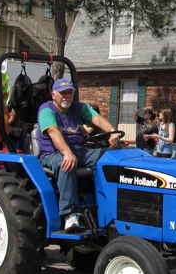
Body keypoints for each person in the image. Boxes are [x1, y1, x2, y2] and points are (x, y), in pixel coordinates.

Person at [37, 79, 120, 233]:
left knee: (111, 157)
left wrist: (112, 131)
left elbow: (95, 118)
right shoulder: (46, 110)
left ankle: (109, 206)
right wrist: (67, 152)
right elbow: (53, 132)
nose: (67, 96)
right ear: (53, 94)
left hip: (80, 152)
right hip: (53, 154)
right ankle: (70, 214)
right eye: (63, 93)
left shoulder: (78, 107)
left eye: (69, 92)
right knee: (67, 163)